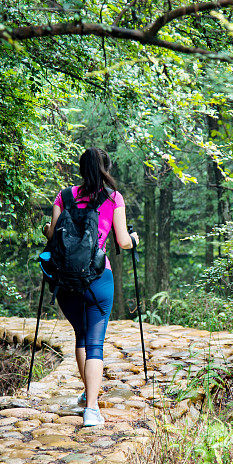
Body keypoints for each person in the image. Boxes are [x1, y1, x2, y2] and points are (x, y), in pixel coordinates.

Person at [43, 147, 138, 427]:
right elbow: (122, 241)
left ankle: (88, 394)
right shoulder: (113, 197)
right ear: (106, 168)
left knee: (81, 336)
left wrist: (46, 230)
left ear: (82, 169)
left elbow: (52, 234)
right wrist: (134, 238)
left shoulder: (65, 196)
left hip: (67, 281)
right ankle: (92, 410)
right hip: (98, 278)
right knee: (95, 343)